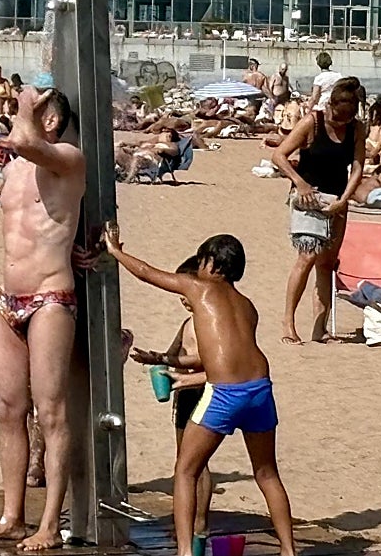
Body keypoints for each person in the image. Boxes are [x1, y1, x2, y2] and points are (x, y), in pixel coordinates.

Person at [103, 230, 296, 556]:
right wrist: (165, 360)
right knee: (266, 473)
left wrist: (115, 251)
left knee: (186, 470)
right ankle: (289, 550)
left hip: (226, 394)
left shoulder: (199, 287)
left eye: (201, 260)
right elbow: (226, 352)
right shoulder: (248, 306)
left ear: (211, 264)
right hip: (260, 389)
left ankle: (184, 551)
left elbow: (148, 274)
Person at [0, 86, 85, 551]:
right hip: (7, 298)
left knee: (51, 412)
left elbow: (29, 143)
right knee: (10, 410)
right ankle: (12, 516)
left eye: (31, 112)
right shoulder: (14, 170)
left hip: (50, 296)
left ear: (49, 120)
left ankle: (50, 524)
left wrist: (24, 109)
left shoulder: (68, 157)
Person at [271, 78, 366, 345]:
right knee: (306, 257)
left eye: (346, 118)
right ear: (331, 105)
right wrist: (299, 182)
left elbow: (357, 167)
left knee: (326, 264)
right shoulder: (312, 122)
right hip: (309, 198)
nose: (341, 122)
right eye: (338, 116)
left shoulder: (357, 129)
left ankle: (319, 329)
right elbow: (278, 155)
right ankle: (288, 324)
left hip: (337, 199)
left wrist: (344, 200)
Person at [128, 255, 213, 544]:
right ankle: (186, 520)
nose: (183, 299)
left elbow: (208, 360)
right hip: (183, 392)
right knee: (184, 460)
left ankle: (199, 521)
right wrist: (155, 360)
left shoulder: (208, 321)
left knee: (196, 462)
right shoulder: (188, 322)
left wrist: (173, 363)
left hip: (200, 389)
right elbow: (173, 351)